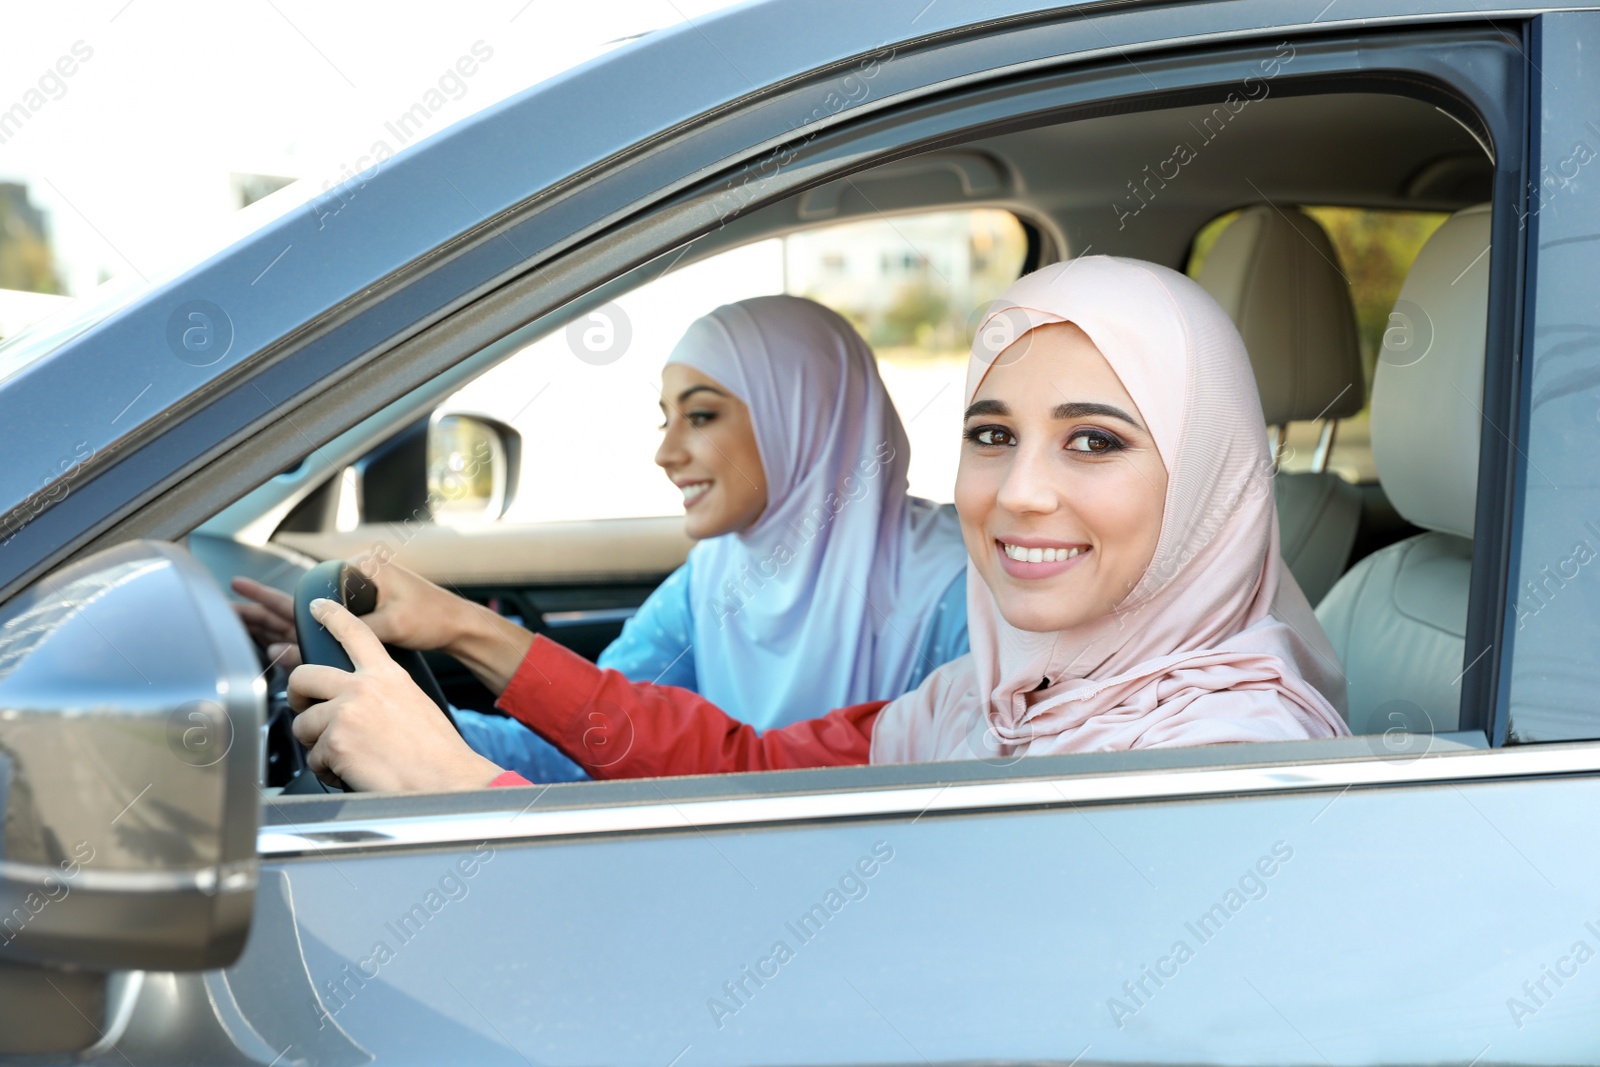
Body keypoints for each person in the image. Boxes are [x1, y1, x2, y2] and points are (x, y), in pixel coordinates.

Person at [283, 256, 1351, 794]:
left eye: (1093, 441)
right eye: (990, 432)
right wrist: (459, 633)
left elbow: (889, 986)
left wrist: (470, 796)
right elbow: (749, 767)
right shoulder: (991, 692)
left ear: (1207, 479)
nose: (1020, 492)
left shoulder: (1221, 764)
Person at [236, 295, 969, 782]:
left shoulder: (951, 590)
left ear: (801, 414)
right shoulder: (711, 577)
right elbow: (587, 741)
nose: (666, 452)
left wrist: (461, 635)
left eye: (703, 415)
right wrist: (380, 702)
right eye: (665, 418)